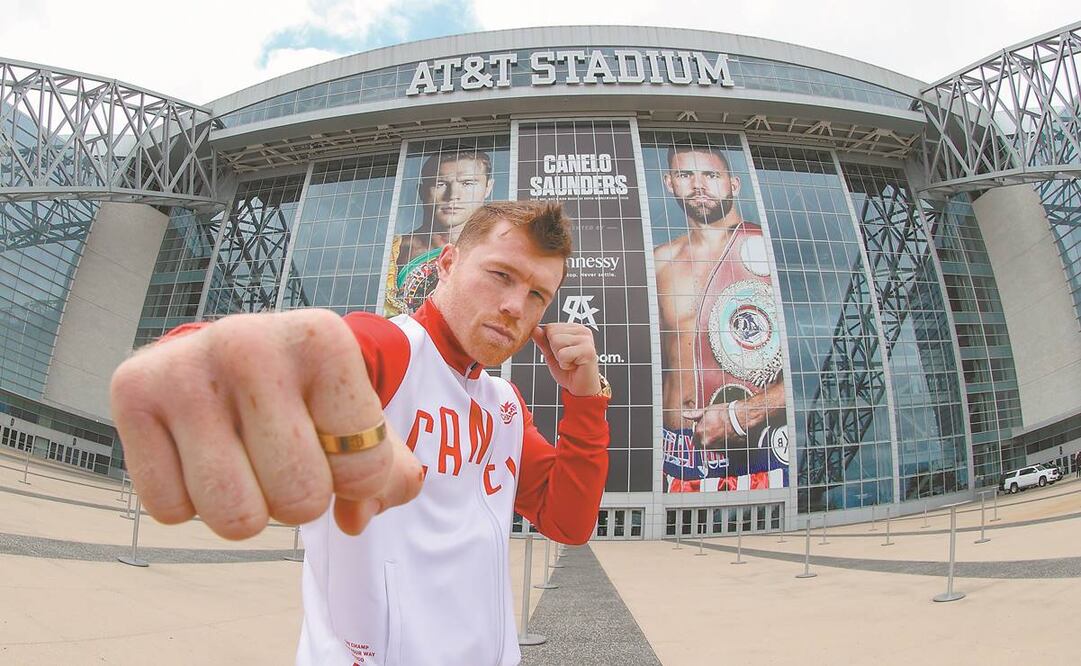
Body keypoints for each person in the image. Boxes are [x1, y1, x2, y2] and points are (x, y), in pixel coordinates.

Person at [110, 201, 611, 666]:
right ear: (448, 263)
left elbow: (568, 522)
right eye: (501, 275)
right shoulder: (391, 348)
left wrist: (586, 402)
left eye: (537, 295)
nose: (514, 306)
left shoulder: (504, 404)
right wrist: (191, 369)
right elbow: (256, 359)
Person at [653, 144, 787, 492]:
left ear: (734, 184)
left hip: (752, 450)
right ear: (670, 183)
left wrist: (744, 414)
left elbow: (809, 365)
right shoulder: (660, 261)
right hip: (676, 452)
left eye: (711, 175)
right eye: (686, 175)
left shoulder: (766, 251)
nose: (699, 185)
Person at [386, 150, 495, 315]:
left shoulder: (500, 250)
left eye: (467, 183)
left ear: (488, 188)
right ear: (422, 191)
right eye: (440, 183)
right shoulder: (392, 250)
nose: (453, 196)